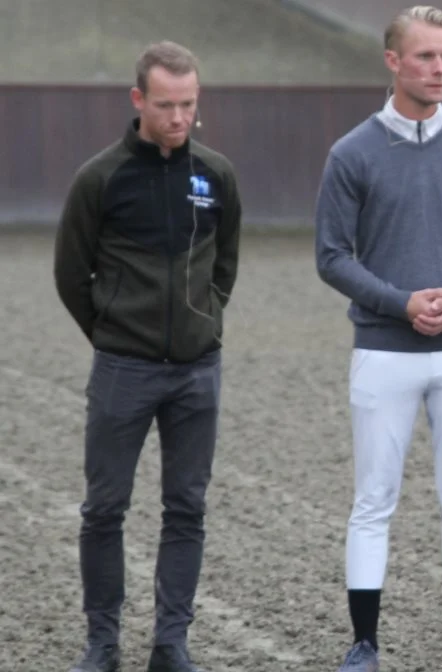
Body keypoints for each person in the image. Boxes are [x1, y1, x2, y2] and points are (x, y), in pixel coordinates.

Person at [313, 6, 442, 672]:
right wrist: (400, 303)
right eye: (426, 57)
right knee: (373, 499)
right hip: (383, 350)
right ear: (394, 61)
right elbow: (331, 256)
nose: (439, 69)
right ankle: (364, 645)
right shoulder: (351, 153)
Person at [52, 40, 241, 672]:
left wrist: (206, 317)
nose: (179, 118)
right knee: (104, 509)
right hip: (122, 371)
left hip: (197, 374)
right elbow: (70, 274)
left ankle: (170, 642)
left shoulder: (216, 175)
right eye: (166, 105)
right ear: (138, 100)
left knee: (186, 508)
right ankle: (102, 642)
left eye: (189, 104)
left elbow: (227, 263)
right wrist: (113, 331)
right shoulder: (99, 179)